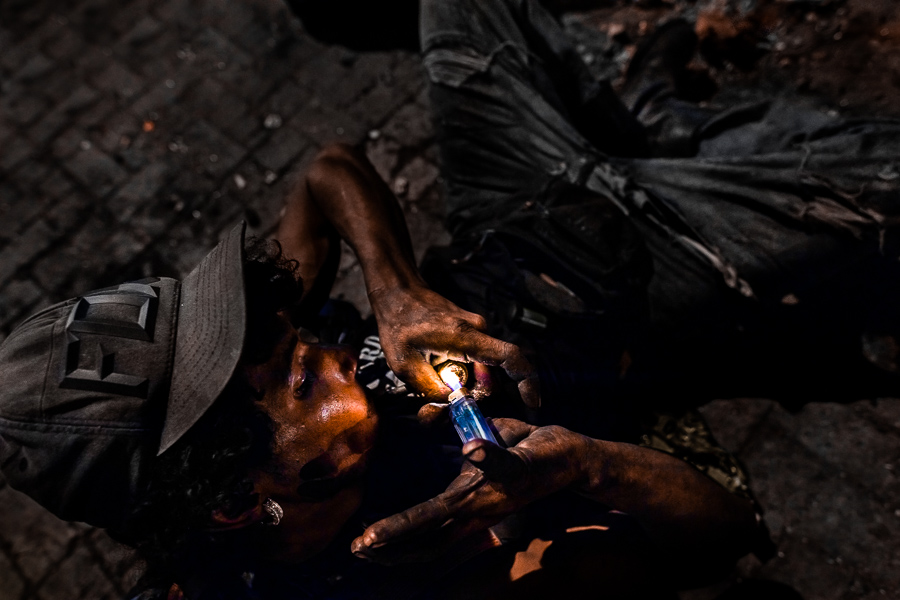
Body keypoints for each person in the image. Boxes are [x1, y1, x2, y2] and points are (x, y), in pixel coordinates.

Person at [2, 1, 895, 599]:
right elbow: (724, 534)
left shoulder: (288, 356)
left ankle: (648, 115)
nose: (303, 340)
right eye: (283, 380)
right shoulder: (441, 548)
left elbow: (326, 170)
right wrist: (589, 467)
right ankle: (665, 125)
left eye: (270, 330)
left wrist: (396, 290)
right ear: (234, 497)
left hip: (520, 205)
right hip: (661, 269)